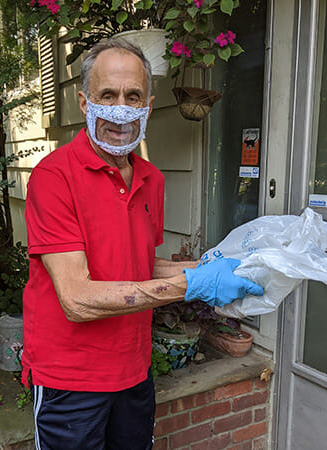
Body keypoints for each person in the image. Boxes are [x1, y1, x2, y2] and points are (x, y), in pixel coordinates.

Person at [22, 38, 263, 450]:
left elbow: (139, 266)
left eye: (133, 96)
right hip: (70, 379)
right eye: (108, 95)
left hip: (134, 371)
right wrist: (190, 286)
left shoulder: (152, 179)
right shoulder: (53, 177)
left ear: (148, 107)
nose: (121, 109)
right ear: (84, 103)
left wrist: (218, 267)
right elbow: (76, 298)